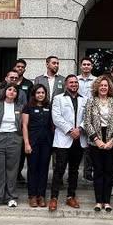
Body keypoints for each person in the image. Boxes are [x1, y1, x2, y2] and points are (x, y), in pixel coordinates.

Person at [82, 74, 113, 212]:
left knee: (108, 171)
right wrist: (97, 140)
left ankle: (107, 202)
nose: (103, 87)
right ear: (97, 87)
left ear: (109, 87)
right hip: (95, 140)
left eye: (106, 85)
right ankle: (98, 201)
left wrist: (112, 140)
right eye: (101, 85)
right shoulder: (91, 102)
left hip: (111, 139)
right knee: (98, 171)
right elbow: (87, 122)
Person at [49, 74, 87, 211]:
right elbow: (56, 117)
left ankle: (71, 196)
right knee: (59, 169)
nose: (74, 84)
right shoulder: (58, 99)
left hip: (79, 140)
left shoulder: (85, 100)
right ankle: (54, 198)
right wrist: (70, 130)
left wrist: (80, 129)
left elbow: (87, 117)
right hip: (63, 140)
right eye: (71, 82)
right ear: (66, 85)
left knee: (74, 170)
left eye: (75, 83)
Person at [0, 84, 24, 209]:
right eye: (9, 89)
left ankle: (11, 197)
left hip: (14, 138)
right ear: (5, 91)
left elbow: (24, 124)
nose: (12, 92)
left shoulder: (20, 107)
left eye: (15, 91)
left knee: (12, 170)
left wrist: (19, 138)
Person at [23, 84, 54, 207]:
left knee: (44, 169)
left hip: (46, 142)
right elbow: (24, 126)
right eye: (38, 93)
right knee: (33, 169)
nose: (40, 95)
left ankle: (41, 196)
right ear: (34, 94)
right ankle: (32, 196)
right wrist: (26, 143)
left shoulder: (49, 107)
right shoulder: (28, 107)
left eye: (42, 93)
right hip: (32, 142)